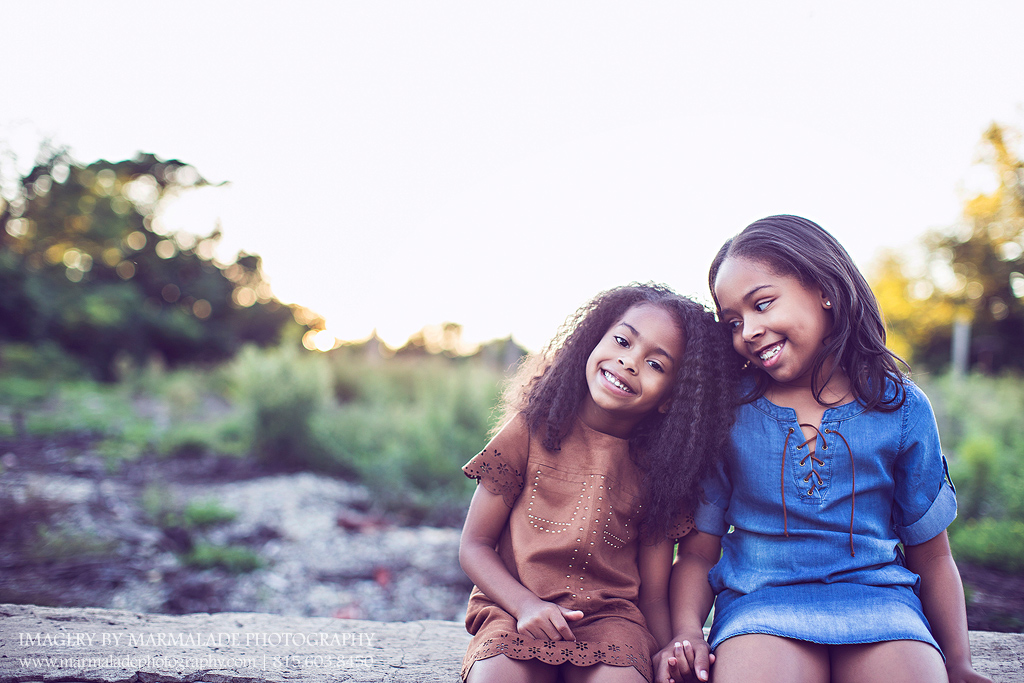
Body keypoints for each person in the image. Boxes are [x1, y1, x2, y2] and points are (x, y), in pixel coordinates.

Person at [654, 215, 990, 683]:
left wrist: (959, 664)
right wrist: (687, 630)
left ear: (824, 288)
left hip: (881, 604)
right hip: (761, 606)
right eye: (733, 321)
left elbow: (932, 555)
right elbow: (698, 552)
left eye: (763, 304)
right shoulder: (727, 412)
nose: (747, 331)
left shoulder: (902, 408)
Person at [459, 283, 737, 683]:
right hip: (513, 608)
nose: (628, 362)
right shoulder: (529, 430)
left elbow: (654, 594)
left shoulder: (661, 474)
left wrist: (664, 651)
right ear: (593, 340)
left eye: (656, 364)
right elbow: (474, 546)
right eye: (623, 341)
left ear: (672, 400)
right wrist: (524, 605)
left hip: (613, 621)